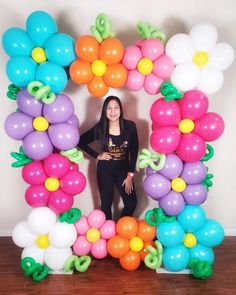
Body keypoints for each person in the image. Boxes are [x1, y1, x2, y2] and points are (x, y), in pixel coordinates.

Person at [78, 95, 139, 220]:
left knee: (131, 203)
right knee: (106, 205)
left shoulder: (130, 126)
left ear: (120, 110)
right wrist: (97, 155)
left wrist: (130, 175)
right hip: (105, 170)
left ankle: (121, 227)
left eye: (116, 108)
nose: (113, 112)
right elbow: (81, 141)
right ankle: (109, 233)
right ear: (104, 111)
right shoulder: (100, 128)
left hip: (123, 169)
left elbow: (134, 150)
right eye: (109, 108)